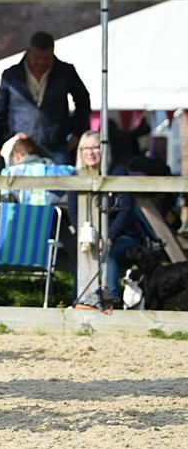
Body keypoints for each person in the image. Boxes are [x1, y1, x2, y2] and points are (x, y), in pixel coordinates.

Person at [69, 130, 145, 313]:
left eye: (95, 147)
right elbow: (73, 211)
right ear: (80, 152)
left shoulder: (118, 173)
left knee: (105, 254)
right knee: (85, 255)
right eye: (86, 148)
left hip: (124, 236)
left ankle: (109, 301)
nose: (91, 152)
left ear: (104, 150)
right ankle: (80, 300)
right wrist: (85, 236)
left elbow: (126, 211)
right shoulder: (76, 176)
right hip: (91, 236)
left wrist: (109, 236)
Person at [0, 31, 90, 166]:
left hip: (57, 147)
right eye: (37, 57)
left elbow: (83, 101)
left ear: (53, 52)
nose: (41, 62)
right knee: (19, 187)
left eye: (47, 58)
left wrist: (78, 134)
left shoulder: (66, 72)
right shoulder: (11, 76)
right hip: (21, 148)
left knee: (58, 186)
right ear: (27, 51)